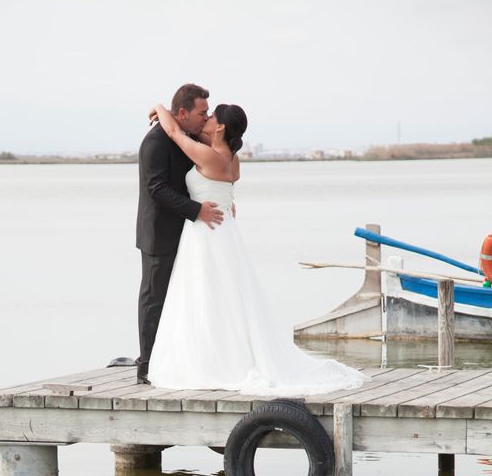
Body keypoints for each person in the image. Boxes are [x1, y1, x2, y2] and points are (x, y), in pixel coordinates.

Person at [145, 102, 368, 395]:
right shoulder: (231, 159)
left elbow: (174, 132)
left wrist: (161, 108)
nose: (207, 119)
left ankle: (212, 361)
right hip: (224, 231)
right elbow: (216, 177)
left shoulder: (209, 156)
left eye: (211, 116)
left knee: (205, 295)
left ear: (221, 126)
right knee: (226, 297)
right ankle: (224, 355)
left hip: (206, 232)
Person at [135, 84, 224, 384]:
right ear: (183, 113)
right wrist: (197, 210)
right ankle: (146, 365)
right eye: (202, 112)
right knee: (154, 298)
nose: (206, 117)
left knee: (183, 298)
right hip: (159, 233)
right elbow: (157, 188)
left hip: (188, 233)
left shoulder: (185, 135)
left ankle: (177, 358)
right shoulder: (155, 142)